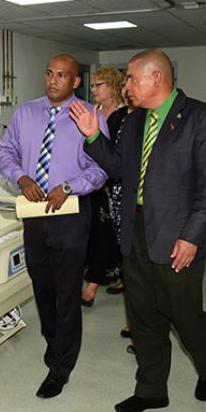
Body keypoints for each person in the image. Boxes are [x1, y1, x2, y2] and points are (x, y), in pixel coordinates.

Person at [70, 49, 206, 412]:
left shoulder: (201, 118)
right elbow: (119, 169)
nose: (126, 87)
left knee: (185, 315)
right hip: (135, 229)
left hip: (178, 235)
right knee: (142, 316)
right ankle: (151, 388)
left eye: (131, 79)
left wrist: (191, 236)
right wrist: (94, 136)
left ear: (157, 78)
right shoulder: (136, 121)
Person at [0, 53, 107, 399]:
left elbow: (101, 168)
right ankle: (53, 340)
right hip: (34, 214)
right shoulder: (26, 113)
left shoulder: (91, 117)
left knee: (67, 290)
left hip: (72, 214)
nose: (53, 80)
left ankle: (61, 366)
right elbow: (5, 152)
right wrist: (21, 175)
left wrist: (70, 186)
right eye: (49, 73)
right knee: (42, 286)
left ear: (76, 81)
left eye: (62, 75)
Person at [81, 67, 126, 308]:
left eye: (99, 85)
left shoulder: (125, 115)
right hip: (95, 182)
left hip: (116, 184)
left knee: (110, 234)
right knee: (97, 233)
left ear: (112, 86)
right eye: (93, 86)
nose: (93, 90)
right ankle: (121, 275)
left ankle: (91, 286)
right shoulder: (93, 112)